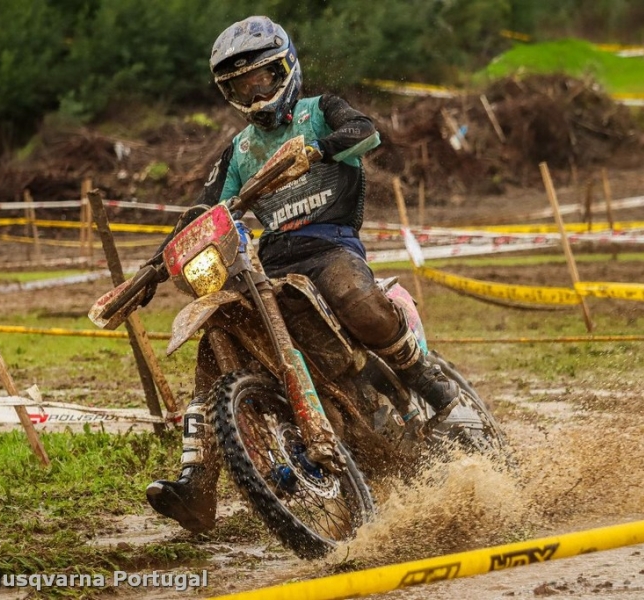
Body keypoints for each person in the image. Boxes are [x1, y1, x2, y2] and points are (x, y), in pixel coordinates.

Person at [146, 15, 459, 534]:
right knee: (216, 338)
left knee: (351, 295)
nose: (253, 91)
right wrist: (151, 267)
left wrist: (320, 148)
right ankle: (197, 485)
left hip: (330, 244)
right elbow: (202, 210)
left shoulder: (320, 111)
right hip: (269, 263)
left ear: (285, 69)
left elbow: (366, 133)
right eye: (240, 85)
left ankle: (426, 381)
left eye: (261, 78)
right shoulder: (239, 151)